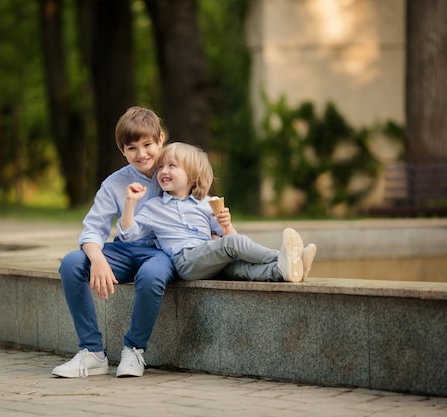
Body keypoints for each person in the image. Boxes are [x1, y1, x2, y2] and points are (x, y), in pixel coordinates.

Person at [52, 107, 176, 379]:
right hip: (124, 250)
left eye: (147, 145)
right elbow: (93, 228)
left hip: (160, 253)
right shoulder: (115, 183)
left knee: (152, 274)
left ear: (160, 139)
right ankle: (92, 352)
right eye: (132, 148)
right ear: (122, 150)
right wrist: (97, 259)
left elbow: (200, 202)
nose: (142, 154)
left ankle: (134, 350)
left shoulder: (176, 170)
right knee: (72, 263)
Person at [117, 142, 317, 283]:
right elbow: (128, 234)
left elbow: (233, 241)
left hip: (210, 259)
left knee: (240, 268)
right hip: (186, 262)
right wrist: (130, 203)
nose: (163, 171)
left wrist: (226, 225)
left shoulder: (205, 204)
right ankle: (284, 256)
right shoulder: (154, 207)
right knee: (231, 246)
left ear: (193, 176)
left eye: (172, 166)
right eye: (160, 167)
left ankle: (285, 270)